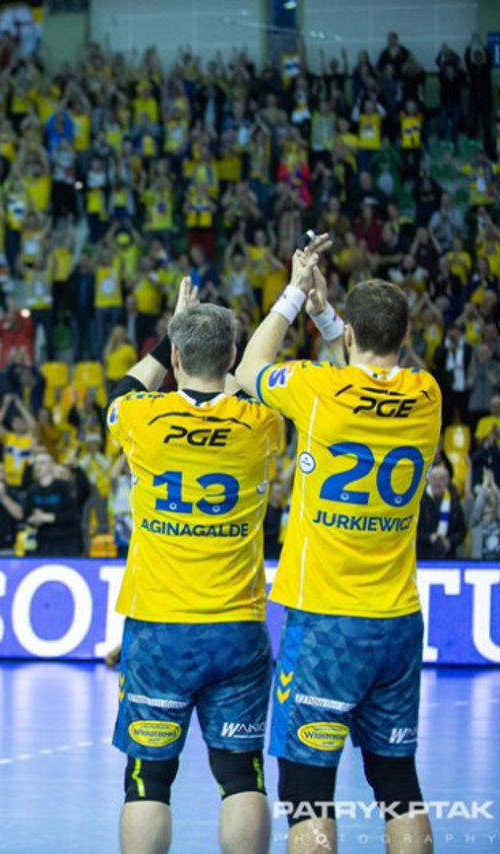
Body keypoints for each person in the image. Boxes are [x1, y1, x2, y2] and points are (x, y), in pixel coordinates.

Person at [235, 233, 440, 854]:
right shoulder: (427, 394)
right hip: (398, 621)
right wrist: (330, 317)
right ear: (406, 336)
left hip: (326, 623)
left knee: (308, 790)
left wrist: (297, 294)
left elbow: (247, 369)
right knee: (397, 783)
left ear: (350, 334)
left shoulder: (319, 392)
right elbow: (360, 370)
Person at [106, 277, 285, 854]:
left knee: (147, 779)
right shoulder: (263, 423)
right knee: (241, 774)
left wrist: (171, 337)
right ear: (231, 357)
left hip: (159, 627)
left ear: (176, 357)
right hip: (236, 626)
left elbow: (123, 388)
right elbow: (245, 382)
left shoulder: (143, 418)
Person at [416, 464, 465, 560]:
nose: (437, 482)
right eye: (434, 478)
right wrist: (429, 538)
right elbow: (414, 530)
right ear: (429, 480)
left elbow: (461, 531)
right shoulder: (420, 500)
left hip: (448, 556)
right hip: (423, 556)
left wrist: (449, 542)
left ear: (447, 481)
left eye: (441, 479)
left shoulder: (454, 500)